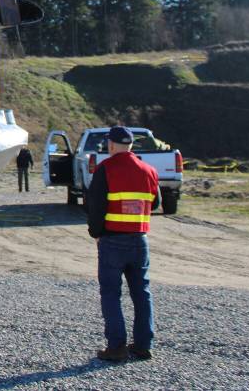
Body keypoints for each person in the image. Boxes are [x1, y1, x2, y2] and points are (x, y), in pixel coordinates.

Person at [87, 126, 160, 363]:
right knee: (142, 293)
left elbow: (95, 206)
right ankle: (143, 345)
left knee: (111, 294)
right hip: (140, 240)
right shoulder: (149, 170)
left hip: (112, 240)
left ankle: (116, 346)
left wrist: (96, 233)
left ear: (110, 145)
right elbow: (156, 202)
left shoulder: (105, 168)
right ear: (131, 145)